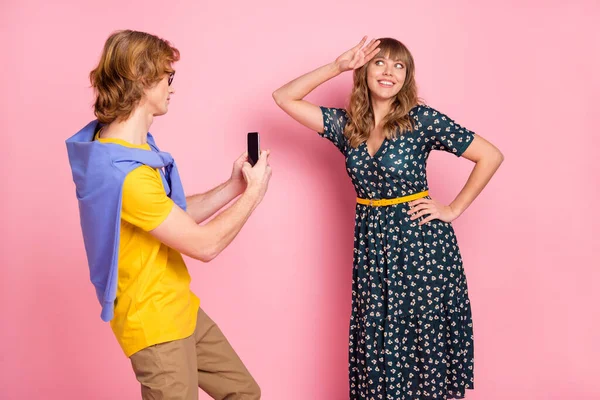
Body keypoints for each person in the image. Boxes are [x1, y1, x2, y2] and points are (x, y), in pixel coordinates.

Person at [272, 36, 503, 399]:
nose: (389, 72)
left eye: (399, 66)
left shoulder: (421, 120)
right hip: (373, 247)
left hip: (421, 247)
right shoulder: (348, 127)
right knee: (380, 338)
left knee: (420, 339)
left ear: (407, 77)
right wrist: (337, 65)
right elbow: (283, 97)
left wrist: (452, 209)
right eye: (380, 63)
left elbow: (490, 155)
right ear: (364, 71)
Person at [66, 30, 269, 400]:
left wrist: (232, 188)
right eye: (167, 77)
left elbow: (168, 215)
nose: (172, 87)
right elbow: (205, 245)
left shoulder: (129, 149)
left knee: (243, 393)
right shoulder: (123, 172)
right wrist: (254, 195)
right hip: (155, 324)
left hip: (179, 307)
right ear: (144, 81)